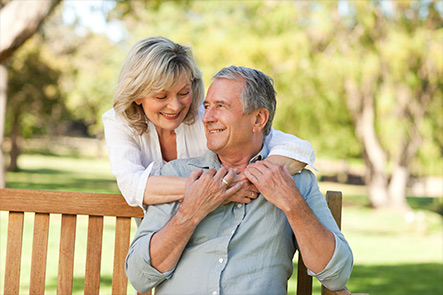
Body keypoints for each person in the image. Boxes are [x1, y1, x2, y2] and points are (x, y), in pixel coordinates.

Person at [125, 66, 353, 294]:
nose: (207, 118)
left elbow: (336, 276)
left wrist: (292, 204)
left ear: (258, 119)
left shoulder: (295, 181)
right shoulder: (178, 174)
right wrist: (191, 211)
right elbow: (139, 276)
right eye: (207, 107)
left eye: (221, 107)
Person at [102, 37, 316, 210]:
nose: (175, 106)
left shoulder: (207, 118)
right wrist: (216, 188)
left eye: (184, 93)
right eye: (161, 97)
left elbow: (298, 149)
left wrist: (243, 180)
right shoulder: (119, 122)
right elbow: (132, 187)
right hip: (161, 240)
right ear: (137, 96)